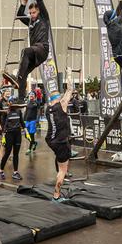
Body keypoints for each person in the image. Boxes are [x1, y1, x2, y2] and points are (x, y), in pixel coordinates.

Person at [2, 0, 50, 105]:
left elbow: (39, 0)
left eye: (34, 13)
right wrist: (23, 3)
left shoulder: (44, 18)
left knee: (26, 51)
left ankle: (17, 79)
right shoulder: (30, 21)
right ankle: (21, 98)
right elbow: (19, 15)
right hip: (35, 55)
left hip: (42, 49)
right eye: (30, 13)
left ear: (38, 11)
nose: (32, 15)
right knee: (23, 73)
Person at [45, 71, 75, 202]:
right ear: (58, 98)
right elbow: (70, 89)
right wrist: (69, 74)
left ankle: (64, 157)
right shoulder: (61, 104)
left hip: (51, 140)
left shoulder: (48, 107)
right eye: (60, 96)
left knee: (60, 159)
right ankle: (56, 195)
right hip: (61, 142)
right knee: (63, 170)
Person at [0, 96, 25, 181]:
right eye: (12, 102)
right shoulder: (6, 112)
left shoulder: (19, 111)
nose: (13, 104)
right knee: (7, 153)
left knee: (16, 153)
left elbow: (22, 122)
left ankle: (15, 172)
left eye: (14, 102)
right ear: (9, 103)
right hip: (9, 134)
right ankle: (1, 171)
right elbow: (3, 124)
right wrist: (3, 135)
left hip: (17, 134)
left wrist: (26, 132)